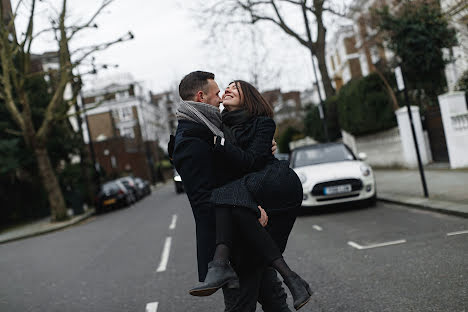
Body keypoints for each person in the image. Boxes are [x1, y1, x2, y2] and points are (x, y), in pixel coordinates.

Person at [183, 80, 312, 311]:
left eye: (235, 87)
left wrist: (219, 143)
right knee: (264, 282)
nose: (227, 90)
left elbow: (251, 161)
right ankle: (292, 278)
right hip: (249, 194)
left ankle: (220, 264)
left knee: (225, 196)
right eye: (225, 89)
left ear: (249, 96)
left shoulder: (262, 123)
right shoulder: (220, 126)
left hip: (275, 182)